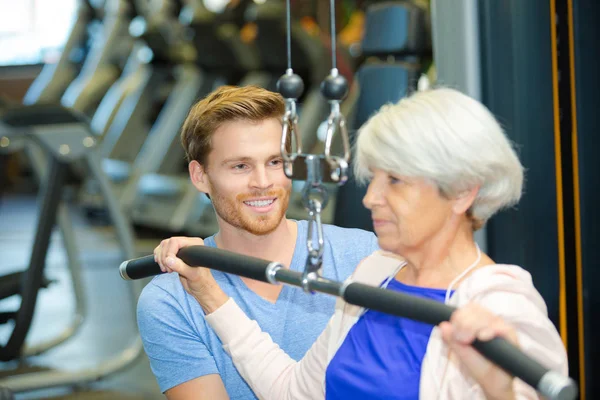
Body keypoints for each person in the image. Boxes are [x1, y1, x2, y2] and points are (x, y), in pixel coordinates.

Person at [162, 88, 569, 399]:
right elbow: (294, 391)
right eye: (373, 178)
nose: (371, 197)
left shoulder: (501, 302)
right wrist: (208, 293)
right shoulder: (375, 274)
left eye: (394, 181)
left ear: (461, 192)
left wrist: (500, 389)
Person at [137, 85, 380, 400]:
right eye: (240, 166)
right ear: (200, 176)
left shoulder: (364, 255)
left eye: (276, 162)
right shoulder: (170, 300)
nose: (263, 183)